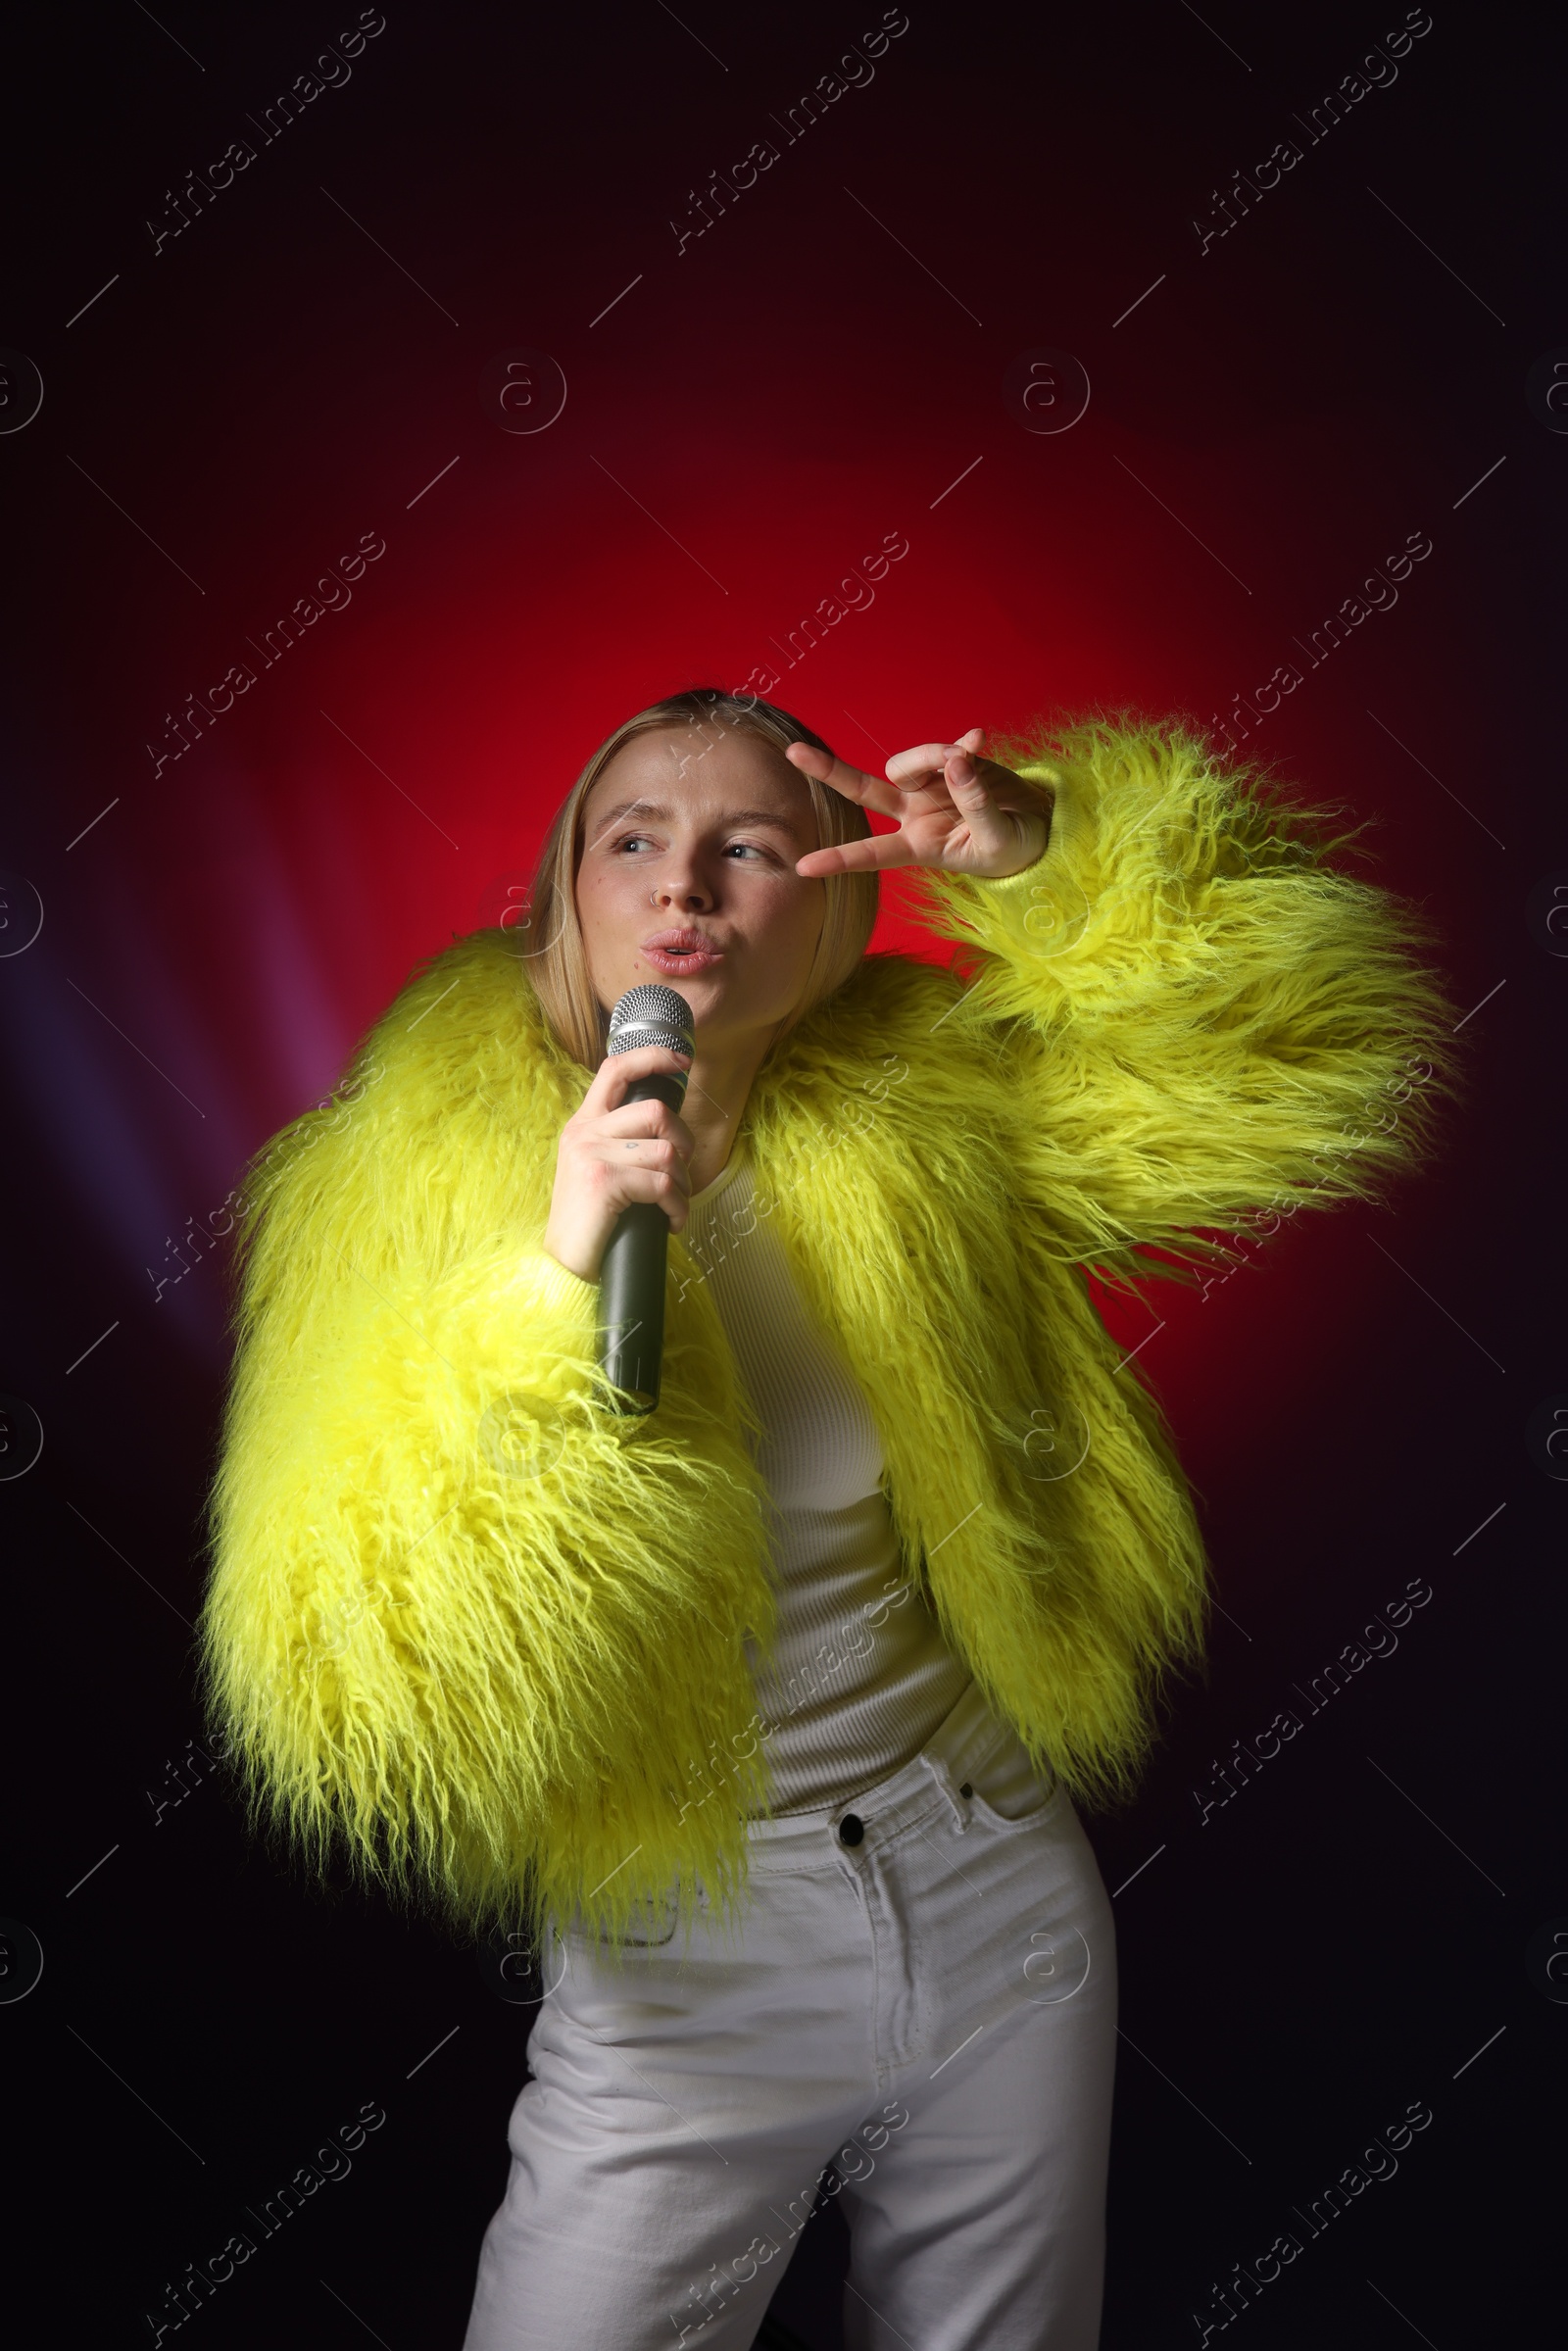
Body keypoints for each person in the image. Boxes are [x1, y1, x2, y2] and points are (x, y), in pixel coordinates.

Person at [199, 688, 1460, 2349]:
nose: (683, 890)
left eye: (751, 847)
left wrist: (1056, 857)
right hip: (687, 1953)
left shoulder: (920, 1117)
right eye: (633, 838)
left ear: (835, 893)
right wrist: (553, 1277)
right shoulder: (407, 1165)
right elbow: (358, 1649)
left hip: (991, 1887)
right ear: (566, 890)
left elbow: (1300, 1054)